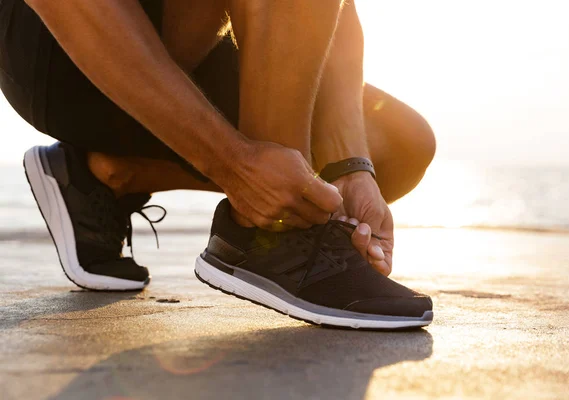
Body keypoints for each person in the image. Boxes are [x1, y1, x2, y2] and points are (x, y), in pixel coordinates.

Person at [1, 0, 436, 329]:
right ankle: (270, 233)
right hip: (58, 47)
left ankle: (106, 175)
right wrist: (232, 163)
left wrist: (351, 166)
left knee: (397, 146)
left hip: (191, 41)